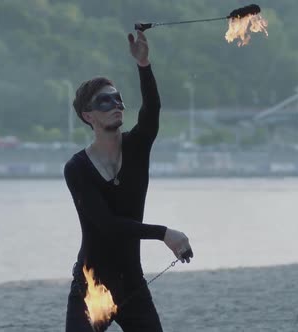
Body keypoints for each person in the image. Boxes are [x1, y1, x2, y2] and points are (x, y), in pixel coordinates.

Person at [63, 30, 194, 332]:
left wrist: (144, 64)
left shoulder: (137, 147)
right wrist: (165, 234)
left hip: (132, 284)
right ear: (88, 116)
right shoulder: (77, 168)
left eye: (118, 99)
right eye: (104, 102)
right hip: (91, 286)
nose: (116, 105)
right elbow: (108, 225)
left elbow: (152, 110)